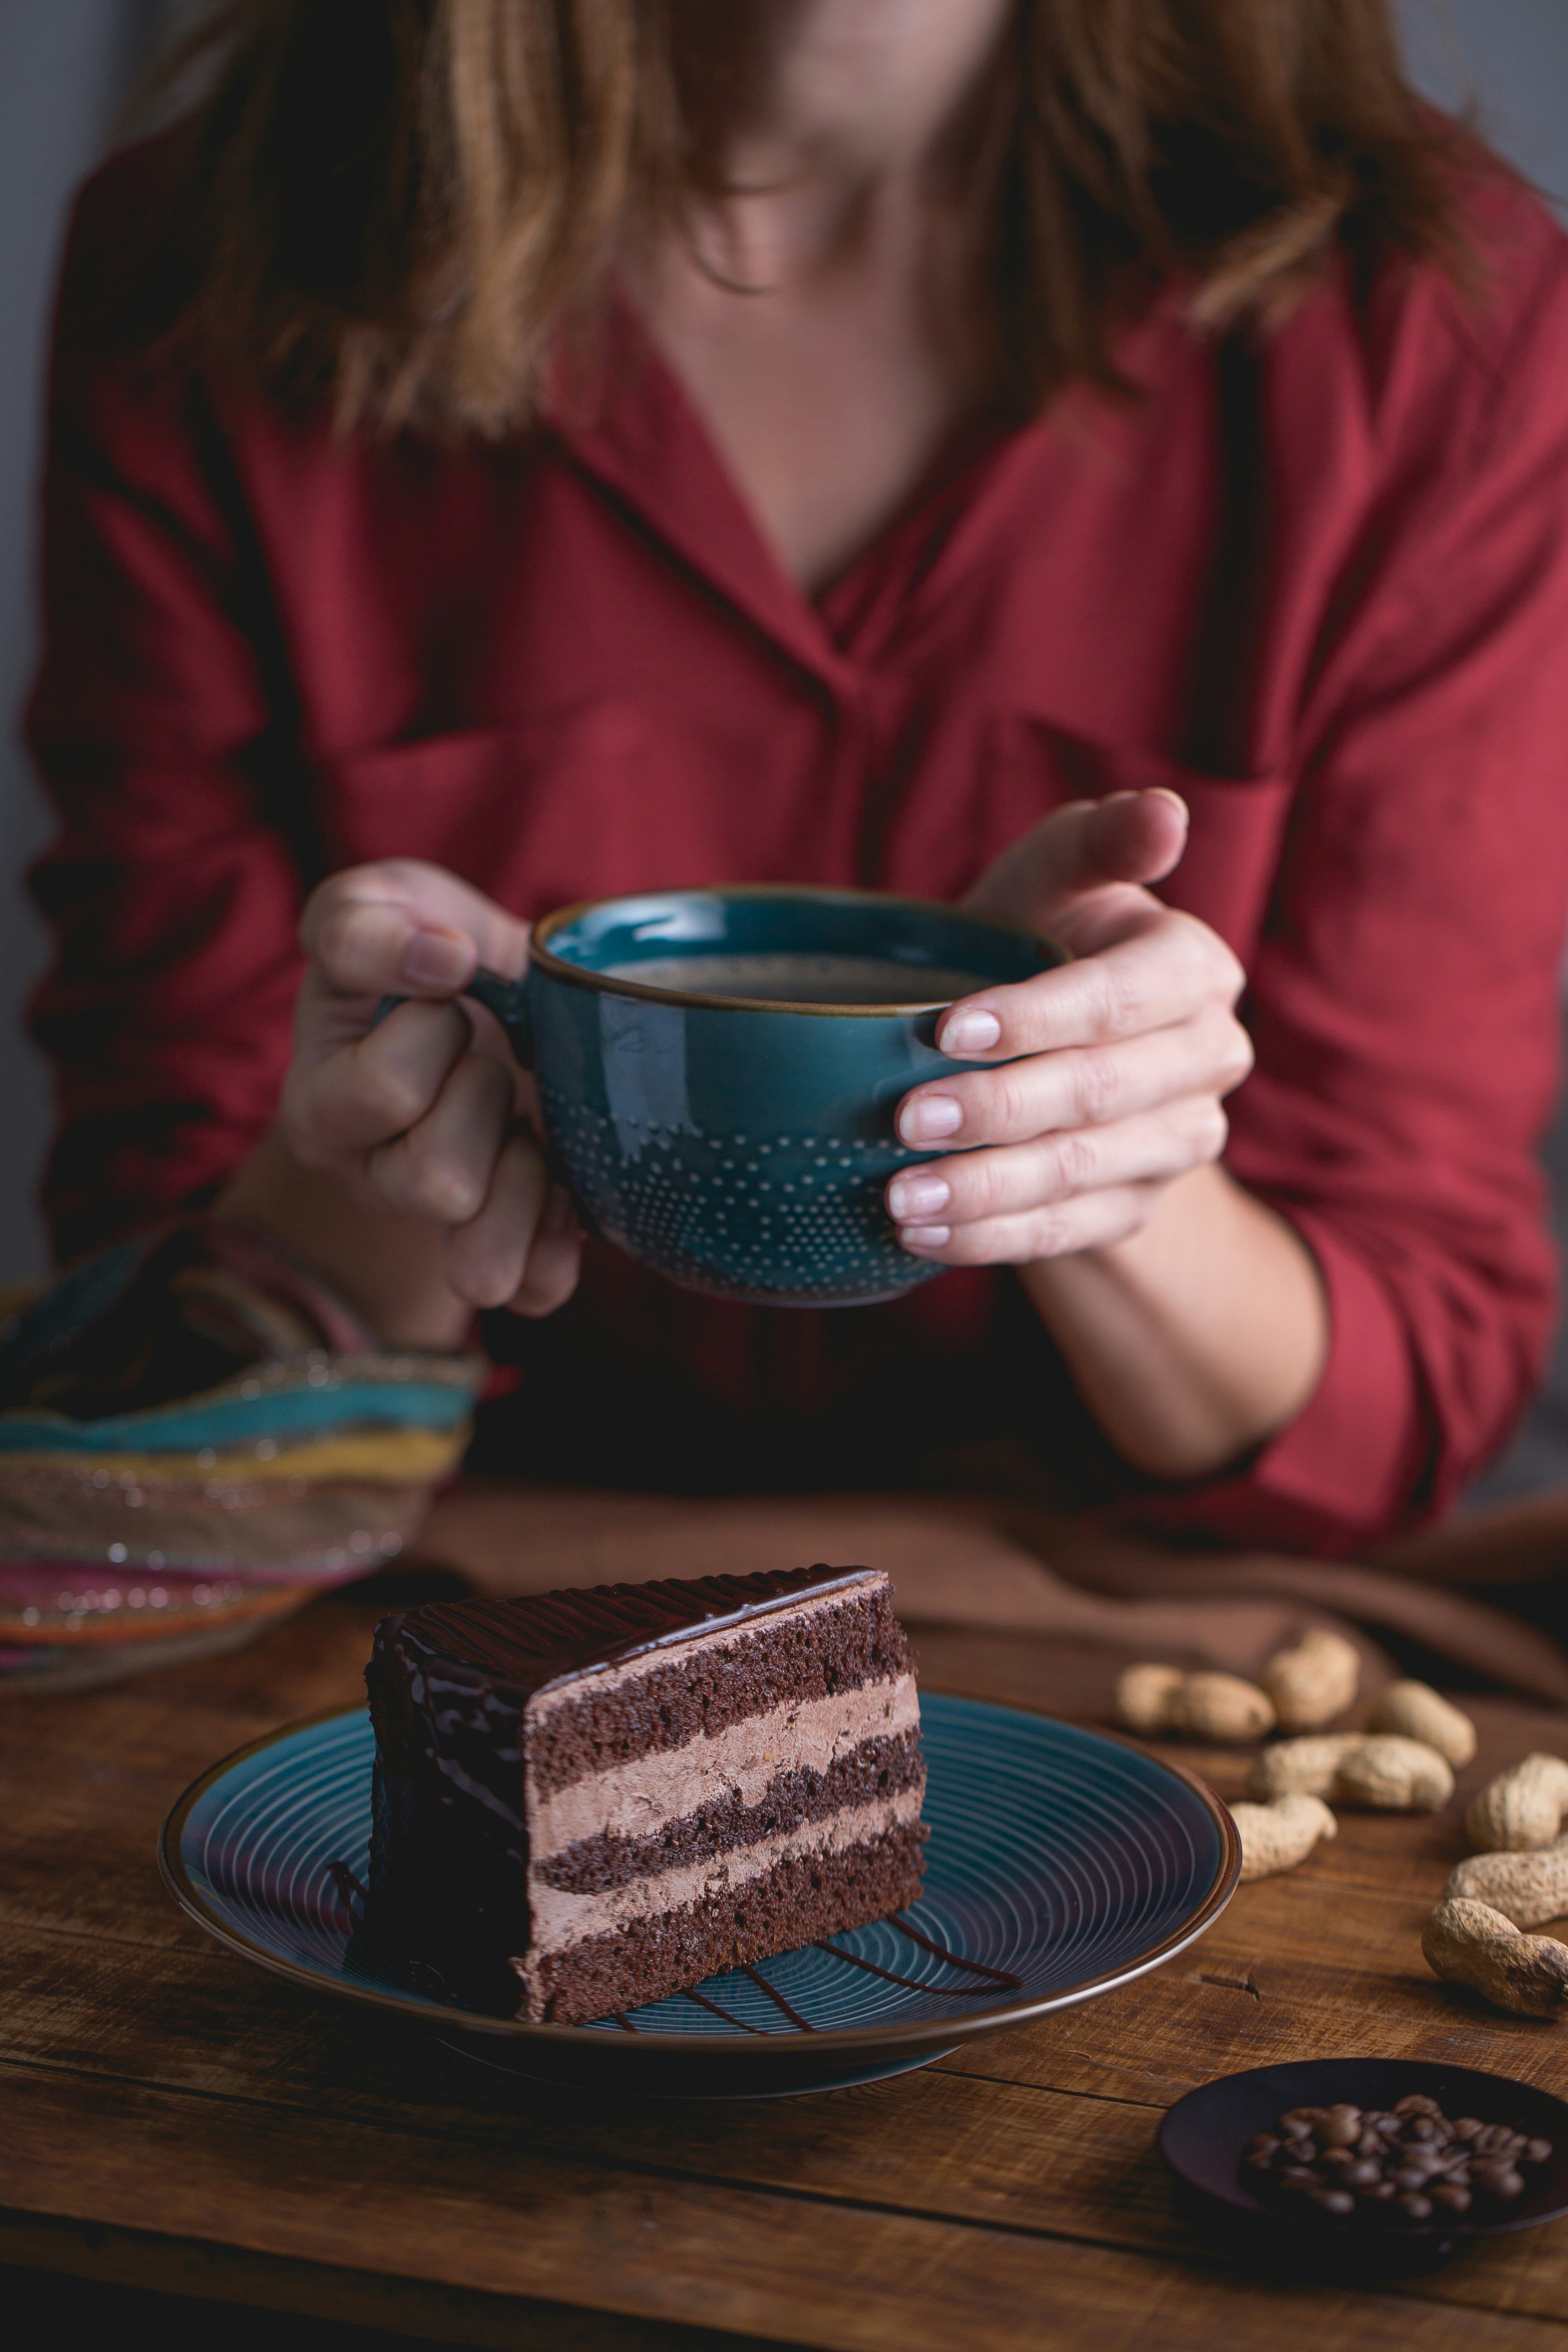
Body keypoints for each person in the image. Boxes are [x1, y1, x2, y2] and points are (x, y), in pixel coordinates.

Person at [23, 0, 1568, 1556]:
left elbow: (1408, 1385)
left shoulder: (1446, 330)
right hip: (445, 1587)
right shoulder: (210, 270)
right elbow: (169, 1336)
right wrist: (385, 1135)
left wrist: (1097, 1156)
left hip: (1113, 1594)